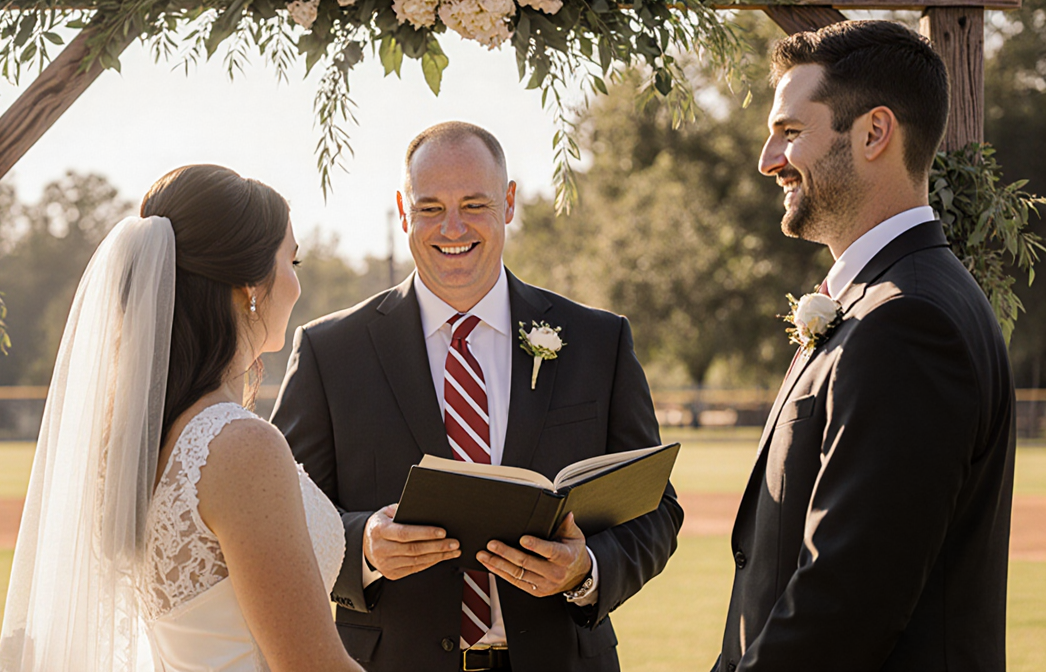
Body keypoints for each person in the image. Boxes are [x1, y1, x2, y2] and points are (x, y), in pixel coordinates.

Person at [270, 122, 683, 672]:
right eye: (431, 208)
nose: (453, 227)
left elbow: (656, 509)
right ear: (402, 210)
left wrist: (586, 570)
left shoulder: (598, 341)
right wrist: (363, 546)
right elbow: (284, 512)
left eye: (474, 203)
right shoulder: (330, 351)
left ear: (508, 202)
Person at [714, 20, 1016, 672]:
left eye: (790, 133)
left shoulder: (908, 323)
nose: (767, 160)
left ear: (875, 133)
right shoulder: (886, 299)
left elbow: (844, 605)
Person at [0, 165, 364, 672]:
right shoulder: (239, 445)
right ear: (249, 284)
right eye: (292, 260)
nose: (298, 284)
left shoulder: (133, 442)